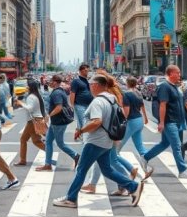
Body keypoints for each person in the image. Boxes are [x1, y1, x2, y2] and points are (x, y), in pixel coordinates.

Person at [53, 74, 145, 208]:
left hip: (95, 141)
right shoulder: (112, 98)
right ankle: (133, 186)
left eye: (90, 85)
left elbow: (97, 121)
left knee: (81, 169)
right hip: (107, 141)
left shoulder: (97, 102)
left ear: (96, 85)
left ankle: (71, 199)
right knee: (107, 170)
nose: (89, 87)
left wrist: (81, 130)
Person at [140, 65, 187, 180]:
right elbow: (162, 105)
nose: (180, 75)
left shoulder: (174, 86)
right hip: (169, 121)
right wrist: (161, 122)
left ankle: (145, 157)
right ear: (171, 73)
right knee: (177, 146)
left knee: (165, 143)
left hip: (177, 121)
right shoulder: (165, 87)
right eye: (178, 73)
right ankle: (182, 170)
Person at [36, 74, 80, 171]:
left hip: (58, 122)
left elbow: (59, 107)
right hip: (57, 122)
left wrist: (48, 116)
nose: (50, 82)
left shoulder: (57, 93)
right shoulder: (59, 91)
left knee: (60, 143)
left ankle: (76, 156)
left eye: (51, 81)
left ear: (55, 82)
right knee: (48, 141)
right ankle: (48, 164)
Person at [14, 80, 47, 166]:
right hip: (37, 119)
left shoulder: (31, 97)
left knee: (23, 139)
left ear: (30, 87)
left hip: (33, 121)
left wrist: (21, 103)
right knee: (36, 141)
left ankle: (22, 160)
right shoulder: (37, 96)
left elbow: (30, 108)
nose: (26, 87)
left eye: (27, 86)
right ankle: (49, 151)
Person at [70, 64, 94, 131]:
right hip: (80, 105)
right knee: (83, 123)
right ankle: (84, 139)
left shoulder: (88, 81)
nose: (87, 72)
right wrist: (71, 105)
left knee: (87, 123)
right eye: (85, 70)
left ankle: (79, 133)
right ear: (80, 71)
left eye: (88, 70)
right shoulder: (76, 81)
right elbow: (72, 93)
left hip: (89, 105)